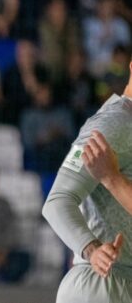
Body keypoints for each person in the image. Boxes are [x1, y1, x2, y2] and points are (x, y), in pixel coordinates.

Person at [41, 58, 132, 302]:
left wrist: (113, 179)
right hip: (103, 284)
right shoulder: (111, 124)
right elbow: (58, 201)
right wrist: (91, 249)